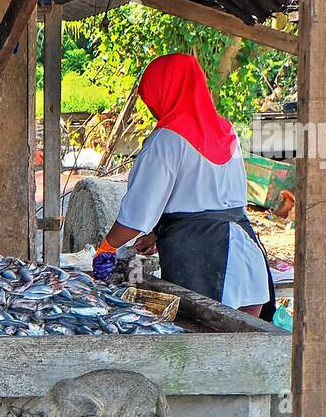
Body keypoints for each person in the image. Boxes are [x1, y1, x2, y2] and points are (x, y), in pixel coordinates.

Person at [92, 53, 273, 319]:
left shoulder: (166, 140)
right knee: (242, 346)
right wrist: (160, 233)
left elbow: (137, 214)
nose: (151, 106)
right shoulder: (226, 130)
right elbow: (214, 201)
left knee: (201, 347)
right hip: (245, 254)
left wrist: (106, 247)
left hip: (204, 261)